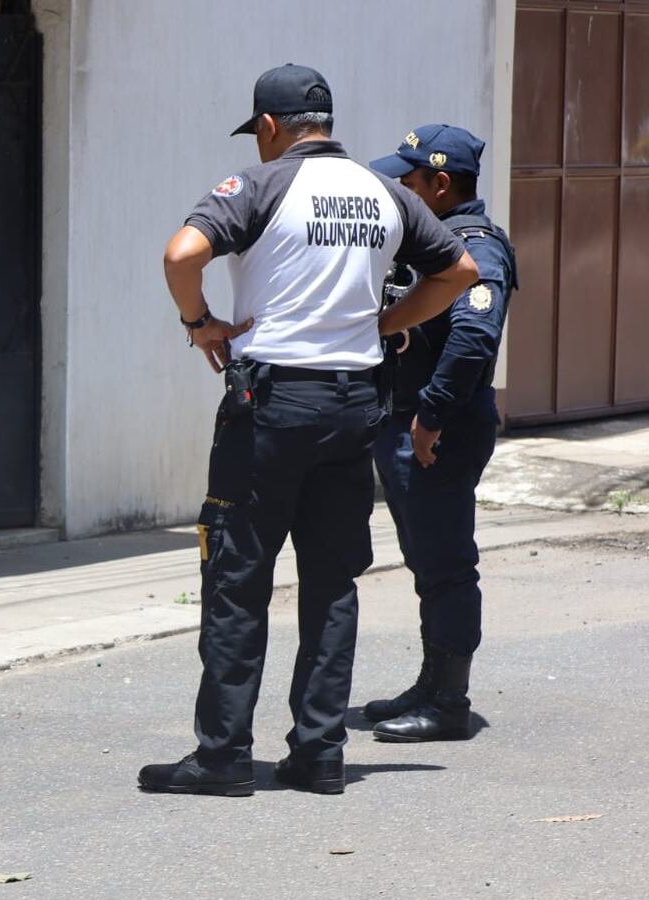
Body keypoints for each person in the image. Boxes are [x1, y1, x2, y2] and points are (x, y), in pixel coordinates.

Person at [138, 64, 479, 797]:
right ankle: (320, 752)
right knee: (331, 584)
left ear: (269, 127)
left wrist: (200, 324)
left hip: (270, 406)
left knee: (237, 581)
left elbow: (181, 254)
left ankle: (223, 756)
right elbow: (458, 271)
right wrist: (383, 323)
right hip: (355, 407)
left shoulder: (259, 187)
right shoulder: (384, 192)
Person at [362, 125, 519, 742]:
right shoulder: (432, 242)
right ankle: (432, 681)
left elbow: (474, 339)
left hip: (439, 429)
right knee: (427, 558)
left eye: (410, 180)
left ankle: (449, 702)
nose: (400, 188)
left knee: (447, 562)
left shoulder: (477, 246)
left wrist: (430, 418)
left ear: (441, 183)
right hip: (410, 422)